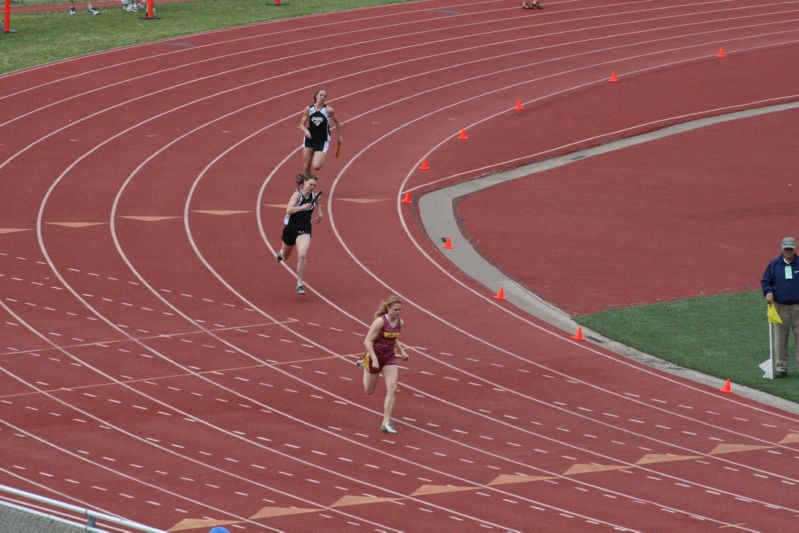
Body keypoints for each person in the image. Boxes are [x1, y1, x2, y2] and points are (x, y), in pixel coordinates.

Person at [357, 296, 409, 434]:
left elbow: (395, 338)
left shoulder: (400, 322)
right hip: (374, 356)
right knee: (369, 390)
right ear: (388, 308)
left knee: (393, 387)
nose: (398, 312)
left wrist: (402, 352)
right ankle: (364, 364)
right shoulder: (380, 322)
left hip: (389, 358)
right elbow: (367, 341)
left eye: (400, 310)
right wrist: (373, 359)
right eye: (395, 309)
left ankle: (386, 422)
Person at [276, 173, 323, 295]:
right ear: (304, 183)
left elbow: (317, 203)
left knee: (302, 254)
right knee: (285, 257)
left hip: (305, 229)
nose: (312, 187)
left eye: (314, 185)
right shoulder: (297, 194)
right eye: (310, 184)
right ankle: (281, 252)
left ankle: (299, 284)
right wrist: (302, 207)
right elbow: (289, 210)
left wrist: (320, 213)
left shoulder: (314, 196)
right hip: (291, 228)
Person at [761, 236, 799, 378]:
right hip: (780, 307)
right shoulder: (774, 264)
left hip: (798, 307)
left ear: (794, 249)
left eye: (790, 249)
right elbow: (765, 281)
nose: (788, 252)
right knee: (780, 338)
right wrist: (768, 292)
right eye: (786, 249)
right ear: (782, 249)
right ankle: (781, 368)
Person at [299, 89, 342, 175]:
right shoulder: (309, 109)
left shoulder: (329, 110)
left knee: (316, 166)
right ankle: (306, 187)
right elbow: (301, 125)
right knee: (306, 166)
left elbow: (337, 122)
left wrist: (339, 137)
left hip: (322, 140)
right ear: (316, 96)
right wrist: (306, 131)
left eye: (325, 96)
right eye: (321, 95)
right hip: (309, 139)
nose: (323, 97)